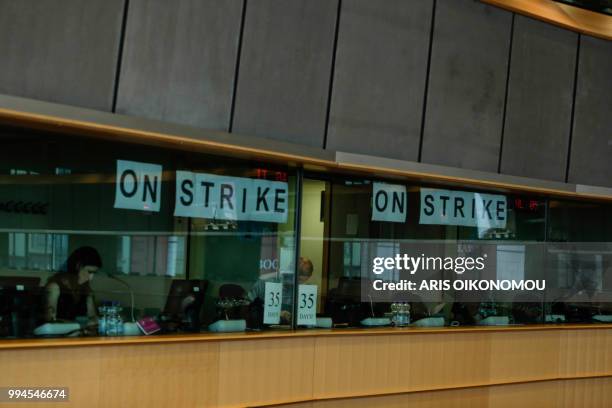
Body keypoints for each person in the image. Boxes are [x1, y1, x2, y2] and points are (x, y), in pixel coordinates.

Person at [42, 246, 102, 324]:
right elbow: (50, 320)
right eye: (89, 272)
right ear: (77, 266)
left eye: (94, 273)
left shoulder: (86, 289)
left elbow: (93, 318)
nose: (91, 278)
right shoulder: (55, 287)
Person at [247, 257, 314, 324]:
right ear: (289, 272)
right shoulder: (265, 282)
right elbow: (247, 307)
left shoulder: (304, 290)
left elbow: (306, 319)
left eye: (302, 281)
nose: (298, 283)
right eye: (298, 279)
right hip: (262, 329)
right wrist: (276, 314)